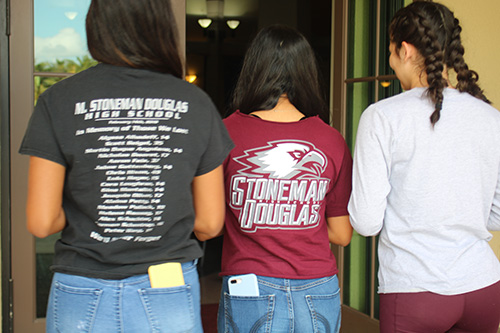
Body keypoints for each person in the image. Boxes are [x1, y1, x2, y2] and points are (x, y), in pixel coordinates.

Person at [19, 0, 234, 332]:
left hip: (82, 286)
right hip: (167, 286)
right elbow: (209, 223)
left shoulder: (58, 100)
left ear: (96, 26)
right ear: (161, 26)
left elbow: (41, 221)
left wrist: (80, 213)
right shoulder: (196, 104)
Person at [348, 1, 500, 332]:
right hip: (483, 288)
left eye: (390, 51)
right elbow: (498, 213)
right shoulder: (490, 117)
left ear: (404, 50)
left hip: (415, 290)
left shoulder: (382, 116)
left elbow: (366, 222)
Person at [218, 24, 353, 332]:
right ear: (307, 73)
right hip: (318, 288)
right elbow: (342, 234)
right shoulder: (331, 140)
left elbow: (209, 223)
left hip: (249, 286)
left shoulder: (225, 132)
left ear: (253, 69)